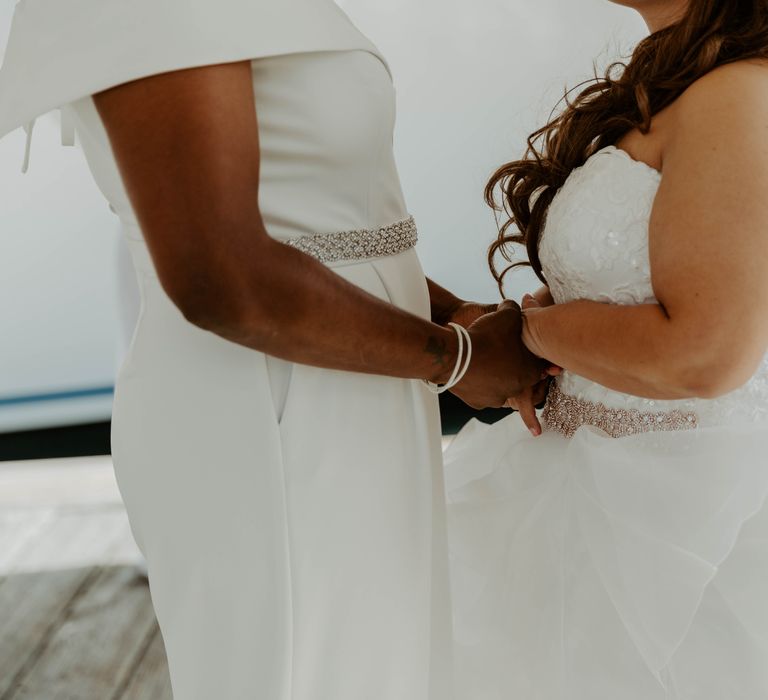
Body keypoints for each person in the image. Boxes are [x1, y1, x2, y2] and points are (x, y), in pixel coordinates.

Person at [0, 1, 548, 698]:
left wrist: (456, 318)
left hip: (360, 381)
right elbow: (221, 277)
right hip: (265, 403)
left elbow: (330, 229)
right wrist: (456, 357)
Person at [445, 1, 768, 697]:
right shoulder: (687, 82)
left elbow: (705, 354)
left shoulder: (738, 92)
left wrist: (533, 333)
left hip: (676, 533)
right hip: (574, 490)